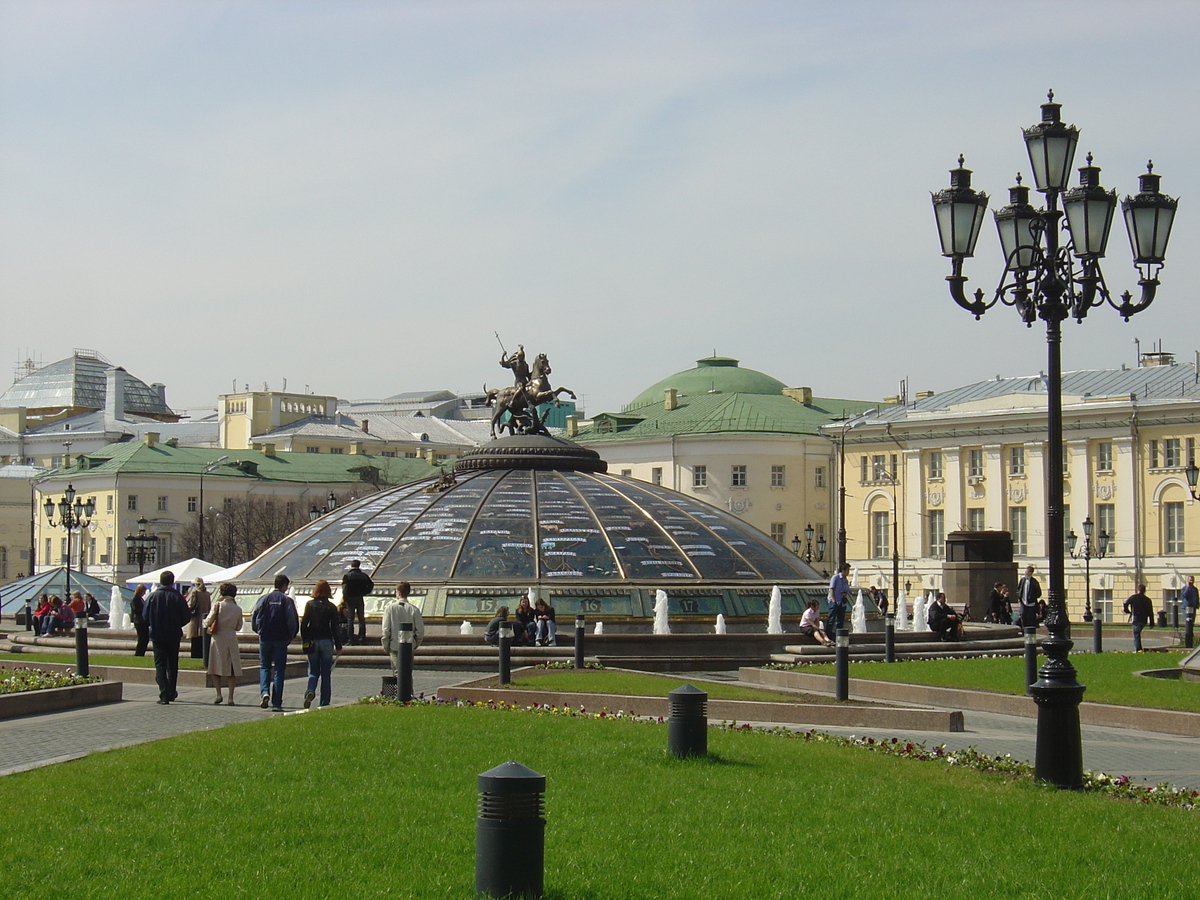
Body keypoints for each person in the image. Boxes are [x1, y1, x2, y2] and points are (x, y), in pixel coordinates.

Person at [251, 574, 299, 711]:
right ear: (284, 586)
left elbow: (255, 617)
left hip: (265, 637)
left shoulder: (263, 598)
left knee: (264, 667)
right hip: (280, 639)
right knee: (279, 670)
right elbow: (291, 621)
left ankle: (264, 692)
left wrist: (258, 631)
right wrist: (290, 635)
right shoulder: (286, 600)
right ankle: (276, 703)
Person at [143, 571, 191, 705]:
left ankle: (163, 693)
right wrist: (176, 624)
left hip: (157, 635)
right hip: (173, 634)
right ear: (172, 582)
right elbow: (186, 616)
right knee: (172, 664)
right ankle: (171, 691)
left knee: (160, 664)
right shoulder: (177, 597)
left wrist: (154, 624)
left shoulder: (152, 597)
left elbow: (145, 616)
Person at [300, 580, 344, 709]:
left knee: (313, 670)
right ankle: (324, 702)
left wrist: (305, 640)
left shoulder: (310, 605)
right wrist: (338, 645)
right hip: (326, 641)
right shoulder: (331, 607)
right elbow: (335, 627)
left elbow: (304, 624)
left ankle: (310, 691)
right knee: (326, 673)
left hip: (313, 641)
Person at [204, 583, 244, 705]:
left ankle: (218, 694)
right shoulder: (238, 609)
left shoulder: (218, 605)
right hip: (231, 638)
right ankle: (231, 697)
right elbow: (239, 626)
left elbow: (208, 621)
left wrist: (205, 624)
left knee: (216, 667)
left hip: (218, 638)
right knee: (232, 669)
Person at [380, 581, 425, 684]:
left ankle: (400, 697)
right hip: (409, 646)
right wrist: (415, 643)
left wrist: (386, 646)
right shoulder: (414, 609)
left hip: (394, 646)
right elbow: (420, 631)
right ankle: (409, 695)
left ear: (398, 593)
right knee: (407, 673)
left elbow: (386, 629)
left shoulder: (389, 608)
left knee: (397, 673)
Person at [340, 560, 374, 646]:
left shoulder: (347, 576)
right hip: (359, 598)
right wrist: (364, 592)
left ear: (351, 566)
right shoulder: (364, 576)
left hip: (350, 599)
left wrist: (345, 598)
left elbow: (344, 589)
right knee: (361, 618)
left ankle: (351, 638)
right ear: (359, 566)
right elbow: (371, 585)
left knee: (350, 619)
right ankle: (361, 637)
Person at [184, 578, 212, 659]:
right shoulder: (207, 594)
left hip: (196, 618)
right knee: (202, 640)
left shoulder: (195, 592)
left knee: (195, 640)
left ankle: (195, 656)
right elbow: (209, 607)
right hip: (204, 618)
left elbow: (191, 605)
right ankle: (201, 656)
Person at [1123, 584, 1154, 652]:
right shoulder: (1148, 600)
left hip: (1136, 618)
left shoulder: (1133, 597)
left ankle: (1138, 649)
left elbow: (1125, 603)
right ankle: (1139, 648)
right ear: (1144, 591)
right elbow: (1150, 612)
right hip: (1143, 620)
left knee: (1136, 634)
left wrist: (1127, 611)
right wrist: (1151, 623)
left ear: (1137, 590)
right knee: (1137, 633)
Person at [828, 563, 851, 633]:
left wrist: (845, 593)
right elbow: (831, 589)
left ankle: (838, 636)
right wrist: (834, 601)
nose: (849, 572)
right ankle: (829, 636)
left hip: (842, 602)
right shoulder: (835, 577)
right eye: (848, 570)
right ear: (843, 570)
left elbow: (846, 590)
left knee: (840, 621)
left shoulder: (845, 580)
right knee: (831, 620)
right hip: (834, 602)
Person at [130, 584, 150, 656]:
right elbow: (136, 610)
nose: (144, 593)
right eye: (144, 591)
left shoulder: (140, 599)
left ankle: (141, 653)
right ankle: (138, 653)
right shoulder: (135, 599)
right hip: (139, 621)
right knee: (142, 638)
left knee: (145, 638)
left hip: (142, 621)